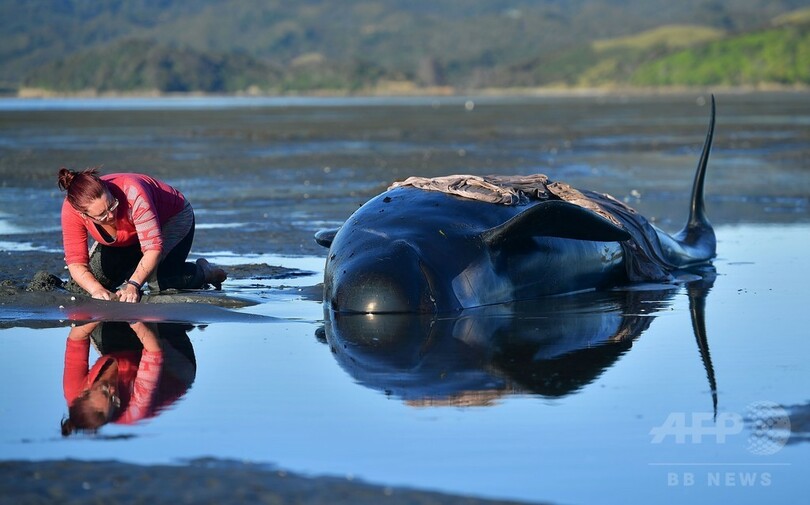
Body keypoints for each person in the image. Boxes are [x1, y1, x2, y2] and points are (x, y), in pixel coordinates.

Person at [57, 167, 226, 302]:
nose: (111, 215)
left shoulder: (133, 192)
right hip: (126, 237)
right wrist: (97, 290)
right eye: (102, 215)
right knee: (96, 282)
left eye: (112, 205)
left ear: (108, 190)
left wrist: (133, 285)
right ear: (84, 215)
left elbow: (153, 249)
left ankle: (205, 271)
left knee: (160, 283)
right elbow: (76, 263)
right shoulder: (71, 210)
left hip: (172, 218)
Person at [61, 321, 197, 436]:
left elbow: (77, 338)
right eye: (115, 401)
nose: (113, 389)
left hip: (126, 357)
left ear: (84, 391)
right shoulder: (136, 409)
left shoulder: (74, 391)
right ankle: (179, 324)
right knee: (153, 320)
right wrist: (134, 316)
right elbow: (154, 351)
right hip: (174, 372)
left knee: (96, 324)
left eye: (104, 390)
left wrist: (101, 309)